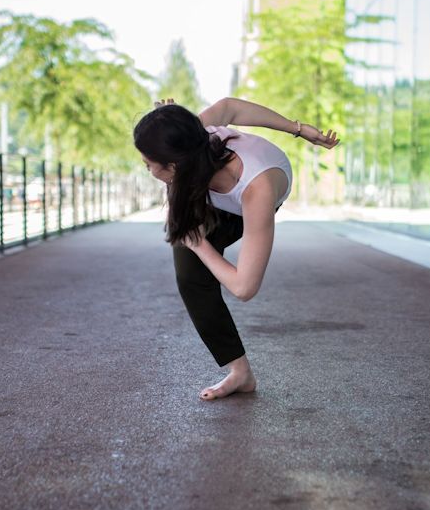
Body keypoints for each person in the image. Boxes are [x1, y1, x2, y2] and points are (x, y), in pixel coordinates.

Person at [133, 97, 340, 401]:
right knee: (189, 274)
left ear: (173, 166)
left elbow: (244, 287)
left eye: (149, 164)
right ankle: (240, 373)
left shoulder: (258, 190)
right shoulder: (195, 133)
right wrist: (167, 122)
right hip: (204, 185)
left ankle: (241, 374)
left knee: (194, 253)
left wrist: (199, 244)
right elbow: (229, 106)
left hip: (244, 202)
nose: (147, 170)